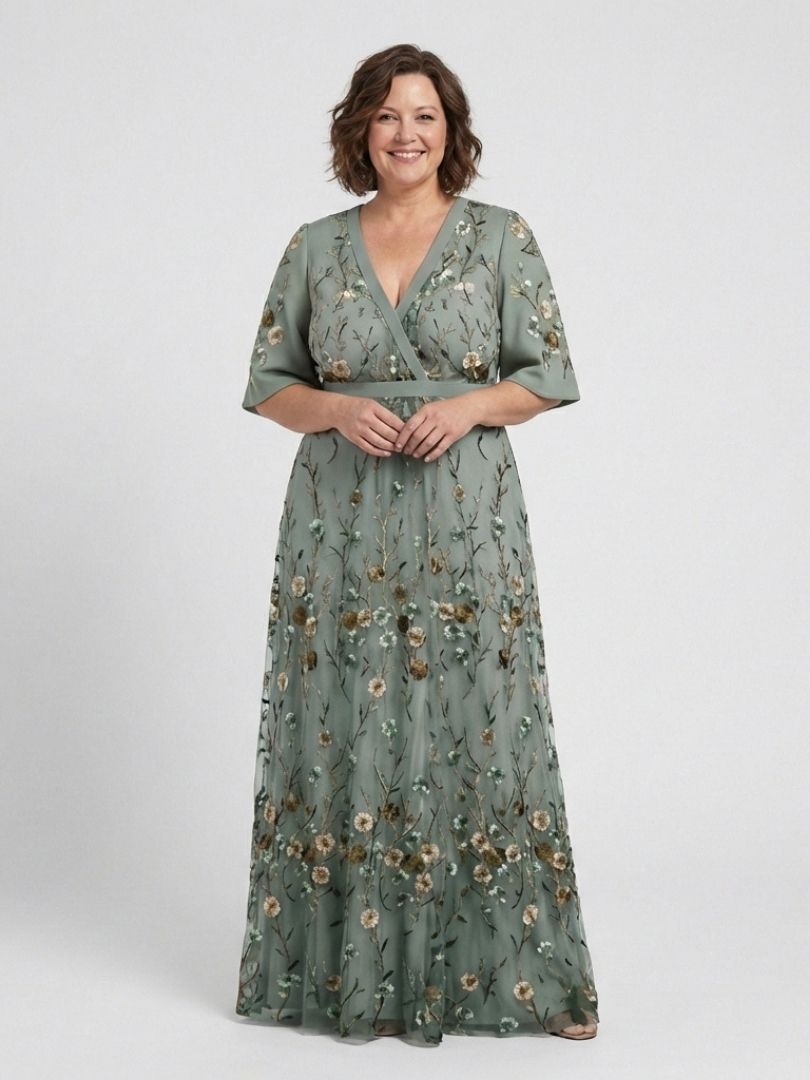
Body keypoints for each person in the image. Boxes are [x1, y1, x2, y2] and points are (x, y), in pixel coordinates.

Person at [234, 43, 599, 1046]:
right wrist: (336, 409)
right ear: (360, 129)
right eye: (389, 115)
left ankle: (526, 979)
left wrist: (470, 404)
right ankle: (348, 978)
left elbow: (550, 372)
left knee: (483, 720)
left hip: (466, 512)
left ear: (451, 130)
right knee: (343, 718)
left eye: (425, 115)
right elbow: (268, 383)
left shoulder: (500, 236)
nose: (407, 133)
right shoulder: (316, 246)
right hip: (341, 517)